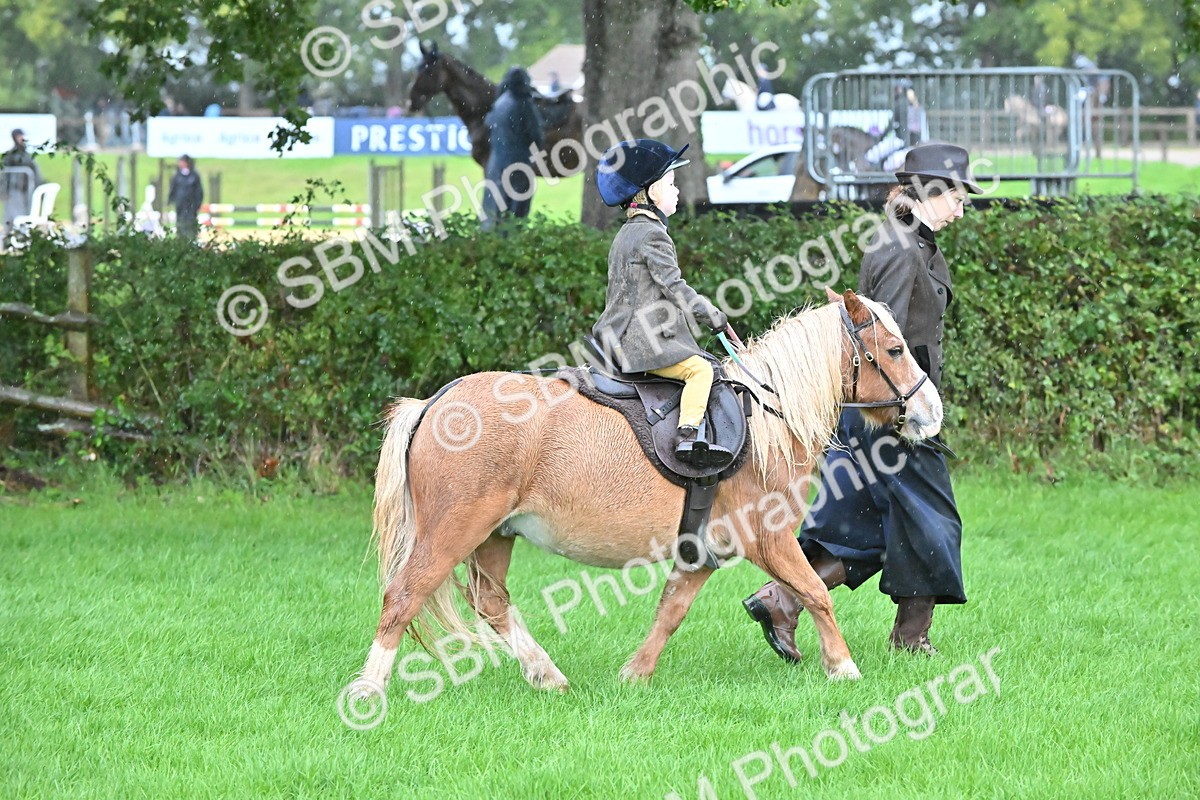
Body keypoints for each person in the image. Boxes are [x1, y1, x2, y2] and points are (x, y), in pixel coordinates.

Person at [743, 143, 982, 658]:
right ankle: (910, 638)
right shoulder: (899, 249)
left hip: (874, 416)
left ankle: (782, 601)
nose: (962, 210)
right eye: (958, 198)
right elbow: (879, 342)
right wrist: (902, 415)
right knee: (931, 520)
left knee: (861, 529)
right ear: (930, 193)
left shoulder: (904, 240)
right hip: (890, 416)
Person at [592, 139, 734, 468]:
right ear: (654, 192)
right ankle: (688, 437)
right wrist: (713, 316)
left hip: (614, 336)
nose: (677, 190)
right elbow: (675, 287)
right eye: (671, 184)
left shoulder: (627, 233)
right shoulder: (654, 235)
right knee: (701, 371)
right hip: (641, 342)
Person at [480, 67, 545, 229]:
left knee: (496, 208)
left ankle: (496, 241)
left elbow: (488, 125)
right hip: (518, 162)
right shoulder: (524, 104)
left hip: (496, 165)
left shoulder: (499, 103)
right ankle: (512, 241)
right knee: (517, 211)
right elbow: (536, 135)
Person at [1, 129, 43, 236]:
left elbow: (35, 174)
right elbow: (4, 175)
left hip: (24, 193)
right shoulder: (9, 156)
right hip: (11, 192)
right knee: (9, 218)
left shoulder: (27, 157)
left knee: (21, 218)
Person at [168, 155, 203, 240]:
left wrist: (198, 203)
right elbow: (173, 188)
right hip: (180, 204)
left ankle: (192, 238)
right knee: (180, 222)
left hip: (191, 205)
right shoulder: (177, 176)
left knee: (190, 222)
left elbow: (199, 190)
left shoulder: (194, 176)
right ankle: (180, 237)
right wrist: (170, 199)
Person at [890, 79, 924, 146]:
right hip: (915, 138)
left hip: (903, 139)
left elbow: (892, 122)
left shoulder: (901, 103)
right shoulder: (915, 104)